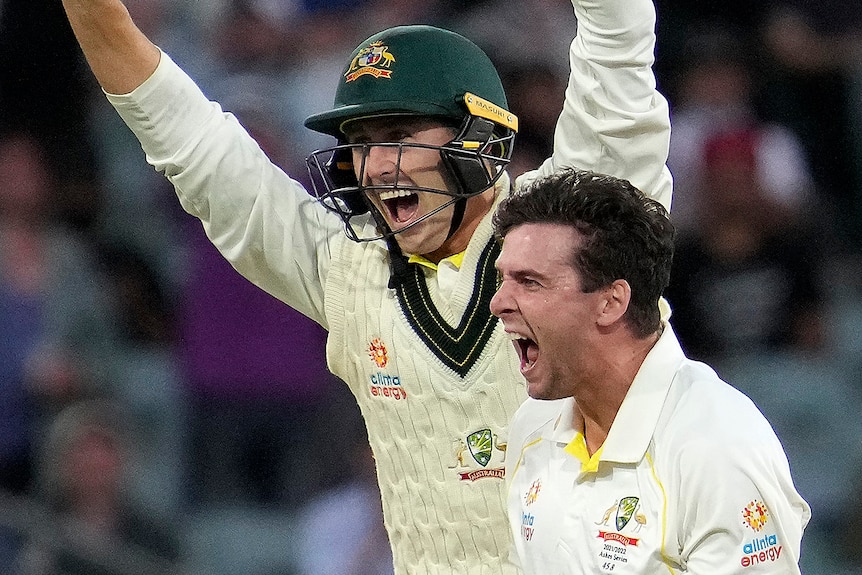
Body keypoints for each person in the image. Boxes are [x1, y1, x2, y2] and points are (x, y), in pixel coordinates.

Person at [59, 0, 672, 571]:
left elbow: (617, 40)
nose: (376, 167)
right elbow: (184, 137)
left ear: (478, 138)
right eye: (359, 144)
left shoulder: (587, 223)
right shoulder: (346, 270)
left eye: (400, 137)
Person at [490, 168, 811, 573]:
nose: (498, 302)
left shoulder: (718, 449)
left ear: (610, 302)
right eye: (504, 279)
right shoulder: (531, 426)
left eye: (530, 282)